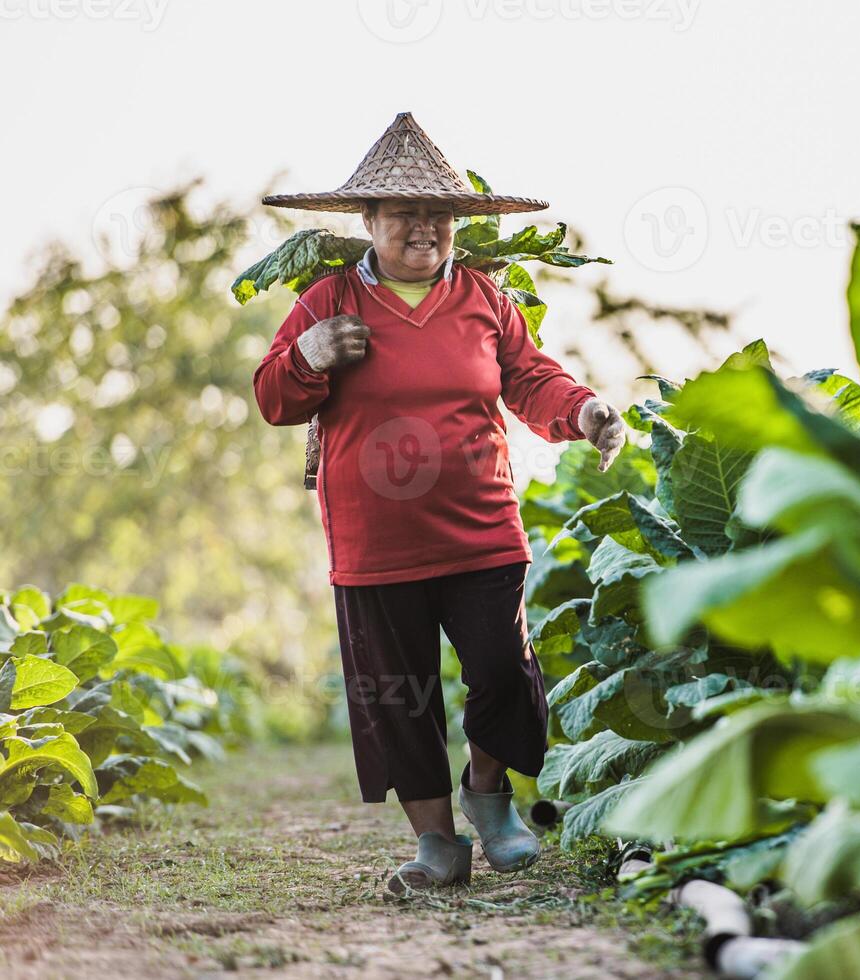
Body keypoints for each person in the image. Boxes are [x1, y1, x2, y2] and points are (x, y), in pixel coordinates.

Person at [251, 112, 626, 893]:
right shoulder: (325, 301)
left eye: (438, 215)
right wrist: (308, 355)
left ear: (456, 224)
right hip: (373, 541)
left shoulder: (485, 300)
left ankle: (487, 797)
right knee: (398, 693)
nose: (424, 228)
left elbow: (531, 380)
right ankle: (436, 847)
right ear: (368, 222)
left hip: (481, 529)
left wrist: (585, 412)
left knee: (504, 673)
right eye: (403, 214)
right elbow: (273, 399)